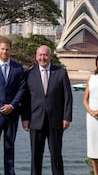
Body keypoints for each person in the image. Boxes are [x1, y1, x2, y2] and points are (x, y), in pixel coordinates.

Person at [22, 45, 73, 175]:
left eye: (45, 55)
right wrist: (25, 118)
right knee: (35, 156)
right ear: (36, 57)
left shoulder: (61, 72)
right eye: (40, 55)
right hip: (35, 121)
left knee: (56, 156)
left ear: (50, 56)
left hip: (55, 121)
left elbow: (67, 96)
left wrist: (66, 117)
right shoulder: (28, 74)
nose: (43, 58)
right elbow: (26, 99)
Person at [0, 36, 26, 175]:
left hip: (12, 115)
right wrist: (1, 106)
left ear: (11, 50)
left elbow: (22, 89)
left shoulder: (18, 68)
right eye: (2, 49)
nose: (5, 52)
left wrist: (12, 106)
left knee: (10, 148)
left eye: (7, 49)